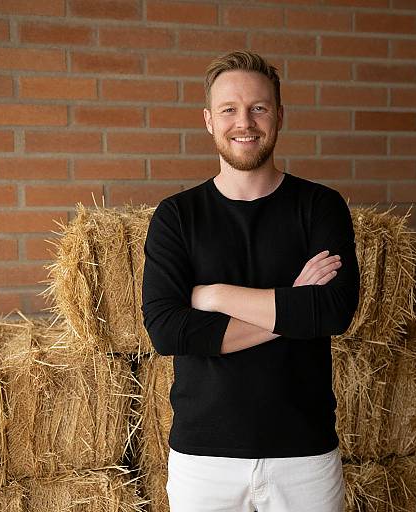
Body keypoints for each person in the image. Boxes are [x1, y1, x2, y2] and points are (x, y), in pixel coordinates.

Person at [141, 50, 361, 512]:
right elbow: (168, 330)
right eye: (229, 109)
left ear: (279, 115)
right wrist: (296, 306)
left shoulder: (320, 207)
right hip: (204, 458)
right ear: (208, 120)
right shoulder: (177, 217)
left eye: (258, 107)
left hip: (304, 454)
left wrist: (216, 295)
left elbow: (333, 311)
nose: (245, 121)